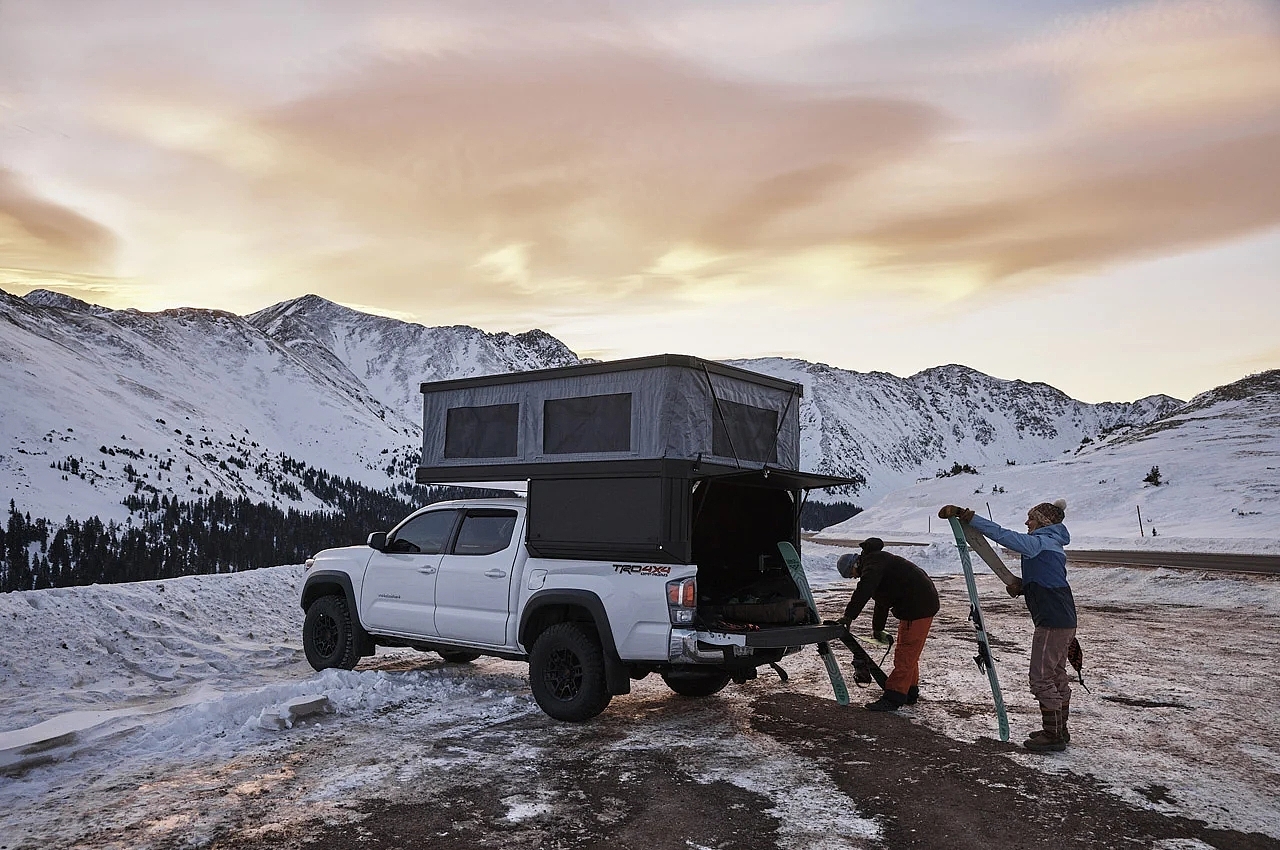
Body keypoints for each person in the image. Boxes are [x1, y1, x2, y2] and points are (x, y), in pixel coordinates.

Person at [939, 499, 1075, 752]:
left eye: (1031, 518)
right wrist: (1025, 586)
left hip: (1052, 621)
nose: (1027, 522)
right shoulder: (1053, 545)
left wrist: (969, 517)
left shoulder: (1038, 543)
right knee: (1055, 675)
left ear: (1043, 521)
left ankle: (1054, 734)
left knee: (1041, 677)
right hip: (1063, 618)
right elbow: (1049, 580)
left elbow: (1002, 535)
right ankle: (1059, 729)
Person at [835, 538, 940, 712]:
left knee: (905, 655)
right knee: (908, 652)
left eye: (851, 574)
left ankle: (893, 697)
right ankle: (909, 692)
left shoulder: (873, 564)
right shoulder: (877, 561)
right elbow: (881, 600)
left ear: (853, 565)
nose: (854, 577)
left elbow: (864, 590)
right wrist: (877, 628)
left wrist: (848, 617)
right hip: (918, 605)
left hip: (917, 607)